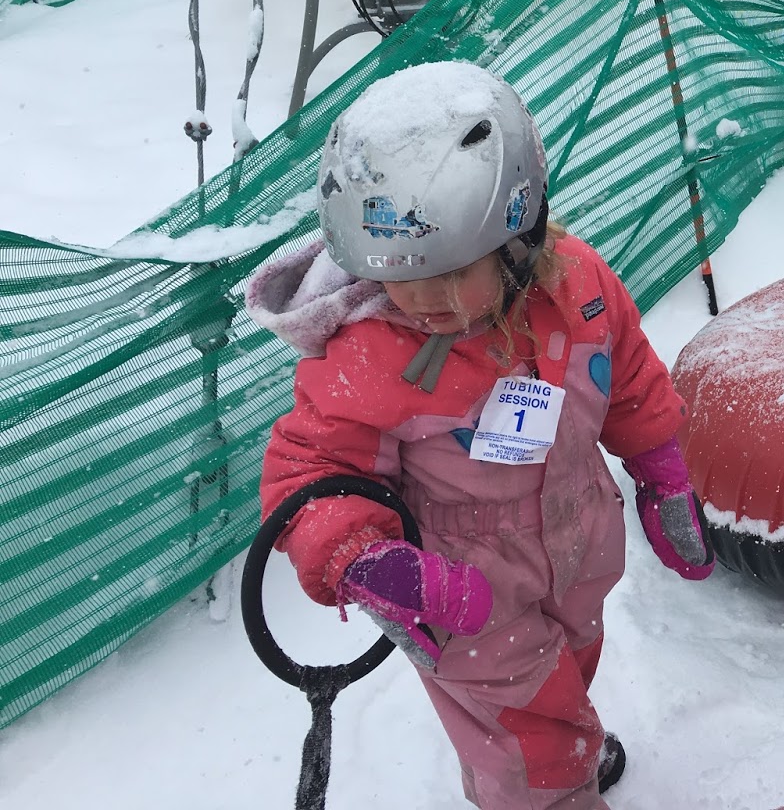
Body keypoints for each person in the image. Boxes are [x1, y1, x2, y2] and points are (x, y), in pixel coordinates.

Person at [248, 61, 713, 810]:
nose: (423, 299)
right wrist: (363, 559)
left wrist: (661, 468)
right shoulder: (371, 352)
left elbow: (625, 371)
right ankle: (551, 783)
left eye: (452, 270)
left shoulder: (581, 287)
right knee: (523, 748)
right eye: (400, 274)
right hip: (462, 592)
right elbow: (310, 470)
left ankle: (568, 739)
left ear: (519, 239)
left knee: (564, 671)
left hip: (580, 542)